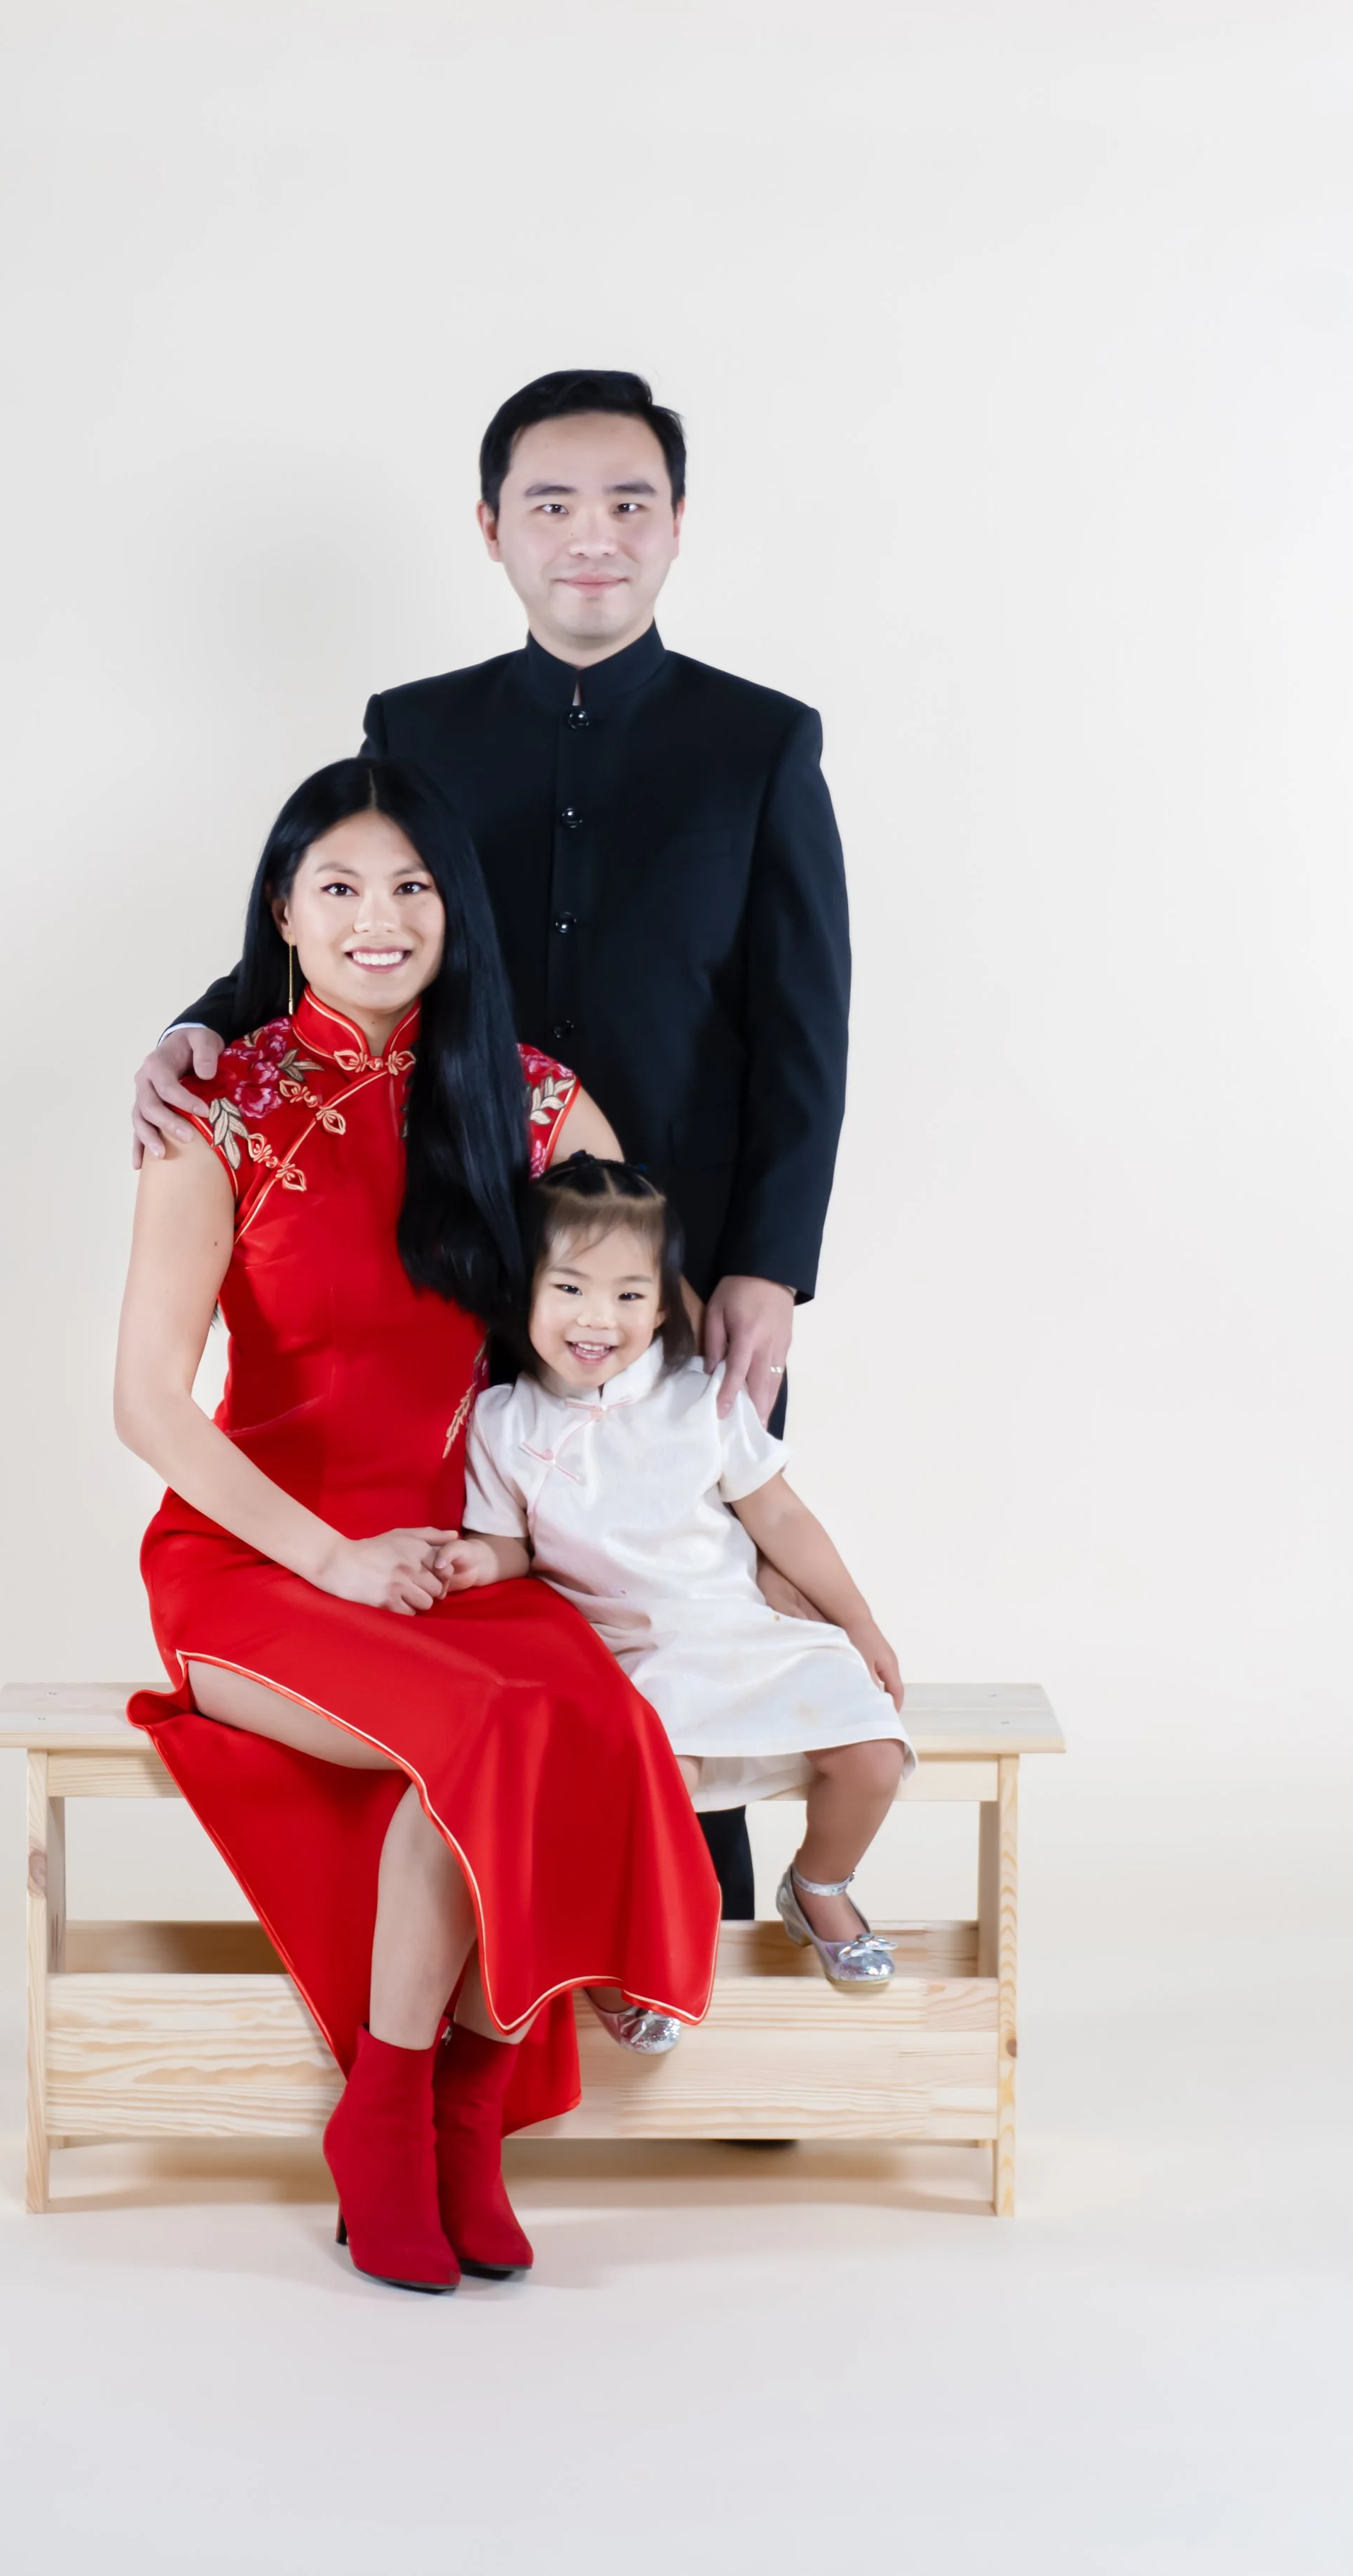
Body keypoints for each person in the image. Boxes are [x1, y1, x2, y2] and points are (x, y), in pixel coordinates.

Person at [132, 368, 853, 1921]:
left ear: (673, 528)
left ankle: (692, 1957)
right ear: (489, 530)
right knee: (521, 1600)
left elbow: (805, 1031)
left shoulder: (757, 743)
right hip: (458, 1243)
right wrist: (193, 1026)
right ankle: (502, 1950)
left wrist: (763, 1270)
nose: (589, 537)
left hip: (657, 1274)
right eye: (549, 504)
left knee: (682, 1589)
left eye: (626, 503)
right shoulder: (422, 727)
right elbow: (344, 915)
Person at [113, 756, 720, 2295]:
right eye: (337, 888)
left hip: (461, 1554)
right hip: (255, 1561)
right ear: (282, 911)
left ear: (455, 911)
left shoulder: (528, 1100)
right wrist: (327, 1557)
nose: (376, 921)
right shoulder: (216, 1109)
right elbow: (147, 1405)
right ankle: (384, 2117)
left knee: (566, 1709)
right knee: (483, 1731)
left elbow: (619, 1340)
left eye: (411, 888)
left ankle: (465, 2119)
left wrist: (571, 1536)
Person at [437, 1155, 910, 2048]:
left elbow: (780, 1515)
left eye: (627, 1295)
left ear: (662, 1307)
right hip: (630, 1657)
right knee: (655, 1800)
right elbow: (510, 1545)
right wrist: (475, 1565)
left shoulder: (703, 1401)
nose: (596, 1318)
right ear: (523, 1291)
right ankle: (622, 1954)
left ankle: (818, 1887)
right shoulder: (504, 1422)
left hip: (743, 1632)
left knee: (873, 1754)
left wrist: (857, 1623)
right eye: (569, 1287)